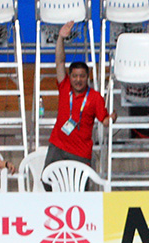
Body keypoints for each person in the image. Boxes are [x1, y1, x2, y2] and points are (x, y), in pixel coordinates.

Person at [44, 21, 114, 170]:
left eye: (82, 76)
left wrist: (113, 118)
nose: (78, 80)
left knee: (80, 190)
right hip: (58, 146)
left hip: (80, 152)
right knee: (47, 181)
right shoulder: (65, 87)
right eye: (74, 76)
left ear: (87, 77)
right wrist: (60, 38)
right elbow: (60, 61)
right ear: (69, 77)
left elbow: (105, 121)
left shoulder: (95, 97)